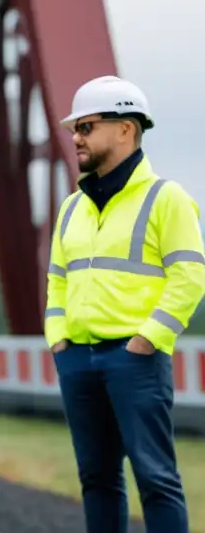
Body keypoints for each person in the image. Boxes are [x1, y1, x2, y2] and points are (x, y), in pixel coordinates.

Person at [45, 75, 205, 533]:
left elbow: (190, 275)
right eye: (75, 128)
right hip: (77, 358)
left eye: (86, 126)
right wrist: (59, 340)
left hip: (135, 359)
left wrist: (147, 339)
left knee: (155, 478)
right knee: (96, 478)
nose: (76, 137)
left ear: (125, 129)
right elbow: (57, 281)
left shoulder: (166, 198)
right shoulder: (72, 207)